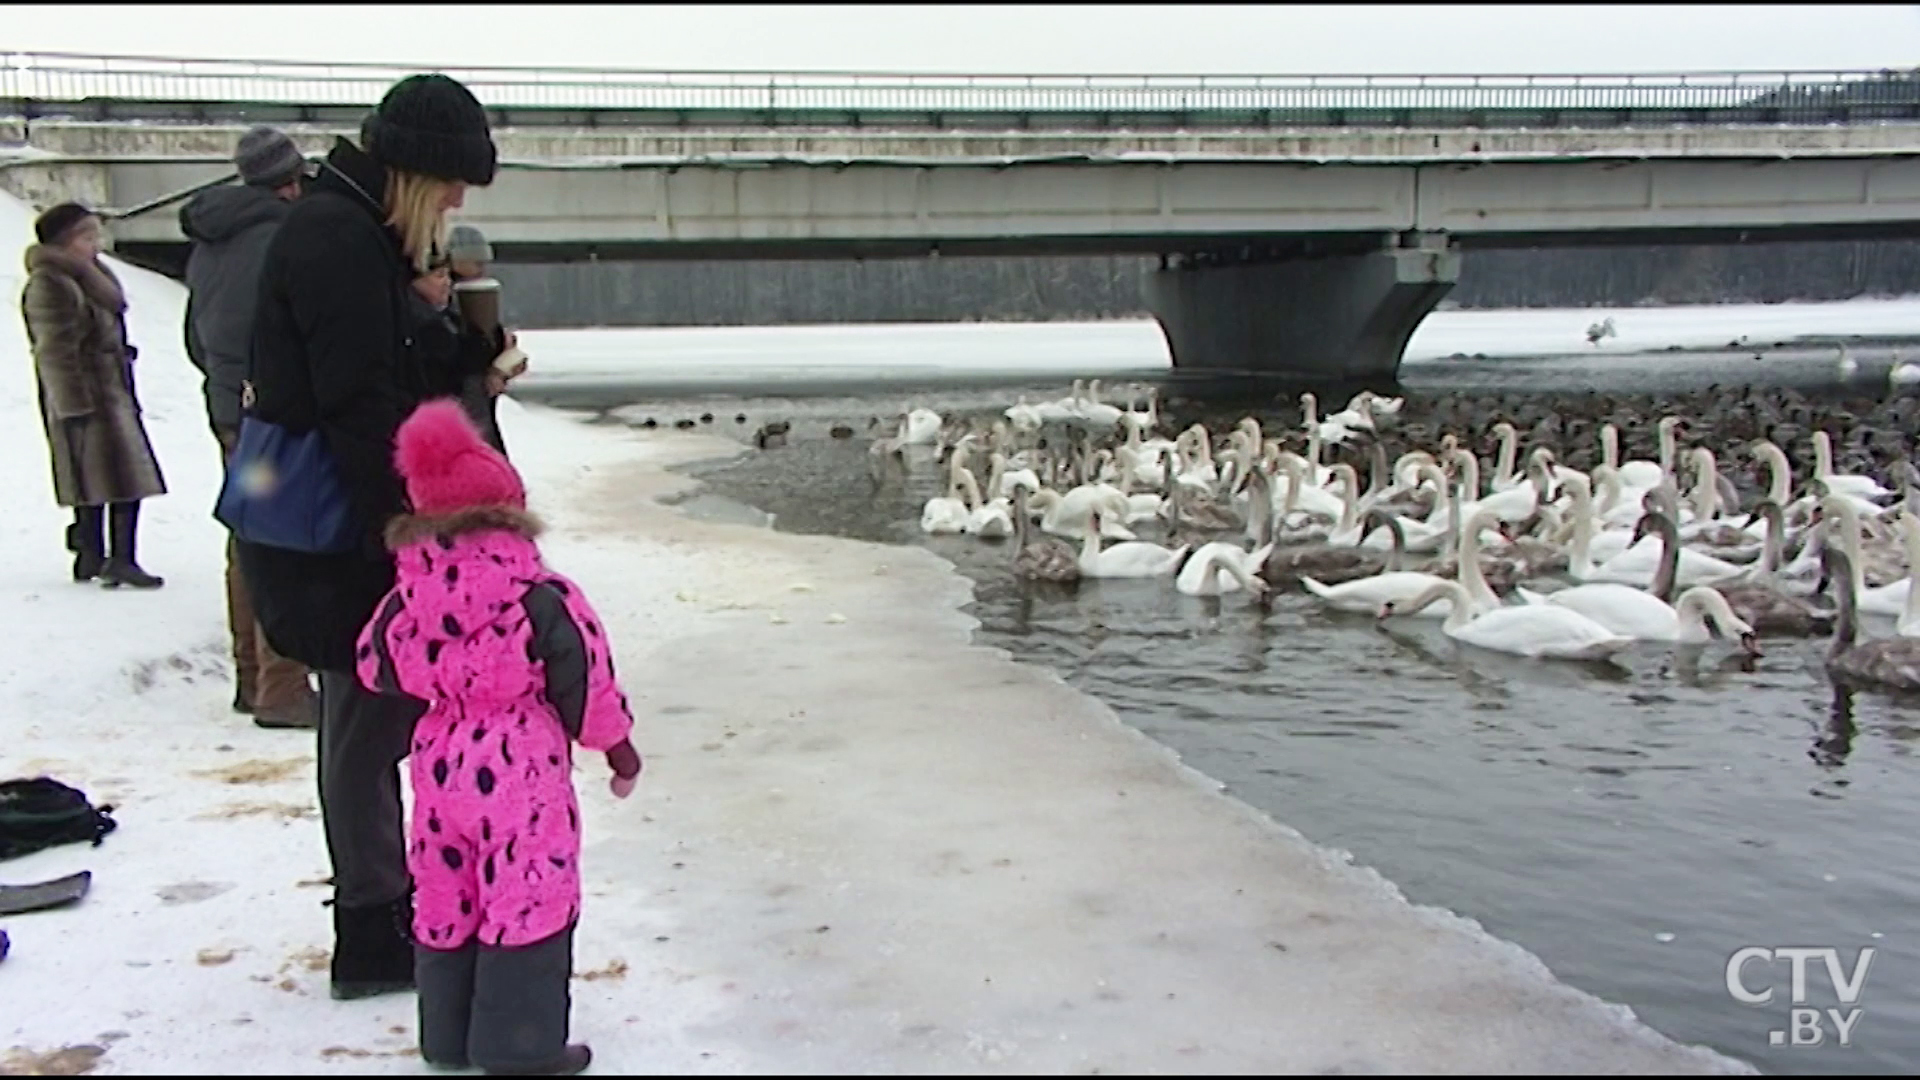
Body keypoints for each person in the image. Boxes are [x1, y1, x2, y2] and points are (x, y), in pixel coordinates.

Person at [235, 72, 499, 1002]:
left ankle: (384, 911)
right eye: (456, 182)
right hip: (338, 531)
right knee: (362, 724)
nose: (462, 202)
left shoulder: (353, 231)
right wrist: (411, 537)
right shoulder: (336, 239)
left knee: (371, 721)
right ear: (418, 171)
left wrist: (457, 350)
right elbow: (359, 405)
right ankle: (371, 931)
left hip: (342, 520)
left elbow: (381, 369)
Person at [357, 399, 640, 1076]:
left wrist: (442, 678)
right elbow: (587, 677)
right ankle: (520, 1045)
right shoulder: (540, 595)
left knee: (446, 891)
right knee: (527, 892)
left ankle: (447, 1037)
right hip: (521, 772)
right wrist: (618, 749)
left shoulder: (407, 594)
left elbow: (373, 664)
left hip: (441, 762)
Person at [181, 125, 319, 730]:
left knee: (246, 535)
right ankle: (282, 686)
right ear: (289, 180)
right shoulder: (280, 238)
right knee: (280, 539)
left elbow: (194, 335)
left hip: (229, 411)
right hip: (270, 413)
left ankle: (250, 675)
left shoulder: (212, 240)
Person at [19, 202, 167, 590]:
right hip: (88, 393)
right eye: (87, 236)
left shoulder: (89, 275)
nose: (96, 244)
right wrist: (73, 402)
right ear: (67, 241)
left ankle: (97, 552)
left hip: (110, 387)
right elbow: (53, 349)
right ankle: (110, 556)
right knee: (110, 474)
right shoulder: (52, 282)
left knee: (111, 474)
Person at [445, 224, 522, 457]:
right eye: (476, 261)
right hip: (465, 390)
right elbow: (467, 345)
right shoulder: (452, 299)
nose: (482, 268)